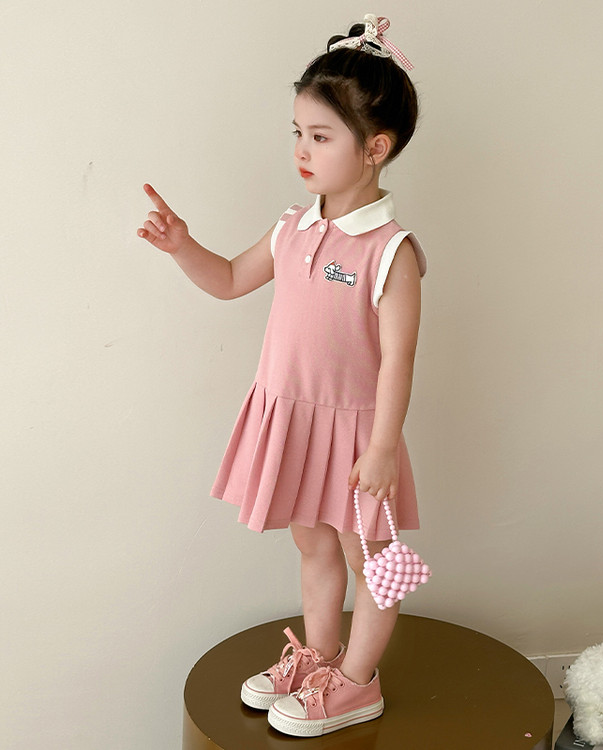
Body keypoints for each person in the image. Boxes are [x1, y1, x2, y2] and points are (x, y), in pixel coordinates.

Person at [137, 14, 426, 737]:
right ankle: (319, 659)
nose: (301, 149)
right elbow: (231, 279)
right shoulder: (291, 228)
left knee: (370, 558)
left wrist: (382, 449)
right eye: (297, 132)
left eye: (321, 137)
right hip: (294, 419)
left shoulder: (390, 251)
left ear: (376, 148)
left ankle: (357, 682)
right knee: (313, 544)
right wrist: (183, 246)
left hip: (357, 435)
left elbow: (399, 359)